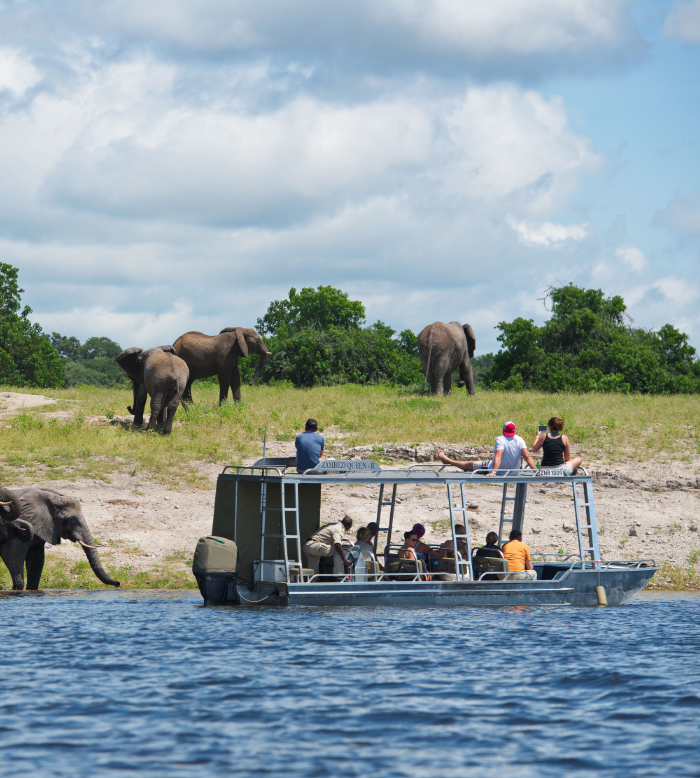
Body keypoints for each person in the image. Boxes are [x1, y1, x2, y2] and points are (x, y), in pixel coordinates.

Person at [437, 421, 537, 476]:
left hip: (499, 471)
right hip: (514, 472)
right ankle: (447, 460)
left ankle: (447, 460)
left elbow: (499, 455)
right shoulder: (520, 439)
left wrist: (493, 472)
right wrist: (536, 471)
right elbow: (527, 457)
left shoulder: (500, 439)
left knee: (470, 464)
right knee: (481, 462)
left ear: (503, 430)